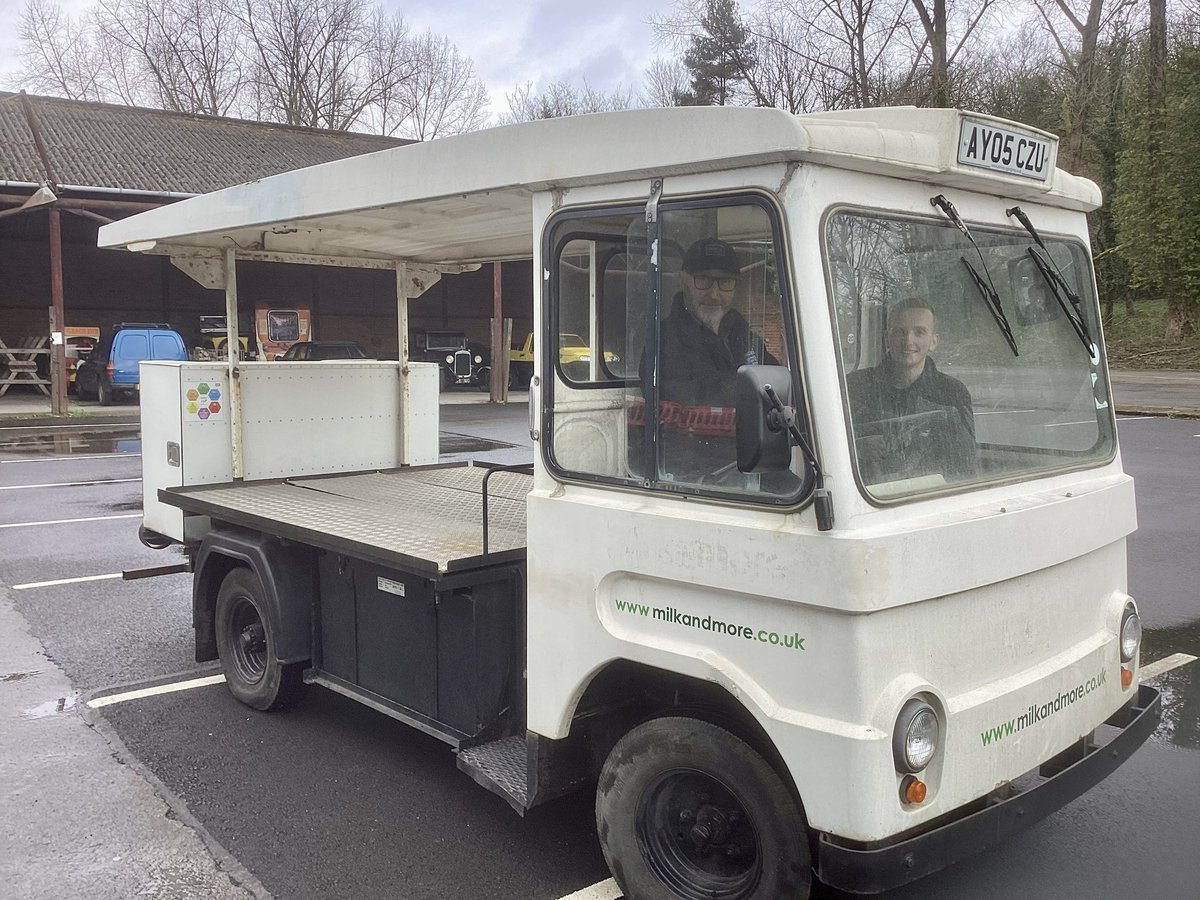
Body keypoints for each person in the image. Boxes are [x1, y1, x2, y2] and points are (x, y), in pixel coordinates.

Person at [641, 237, 779, 482]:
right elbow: (694, 396)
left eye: (725, 282)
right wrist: (754, 391)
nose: (715, 294)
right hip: (694, 474)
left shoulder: (740, 332)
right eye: (703, 280)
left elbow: (776, 379)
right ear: (683, 279)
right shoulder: (663, 341)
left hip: (750, 461)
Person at [846, 298, 976, 484]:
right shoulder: (854, 387)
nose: (908, 340)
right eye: (900, 331)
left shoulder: (951, 393)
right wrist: (858, 449)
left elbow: (965, 467)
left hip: (931, 498)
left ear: (933, 341)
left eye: (919, 332)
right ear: (886, 338)